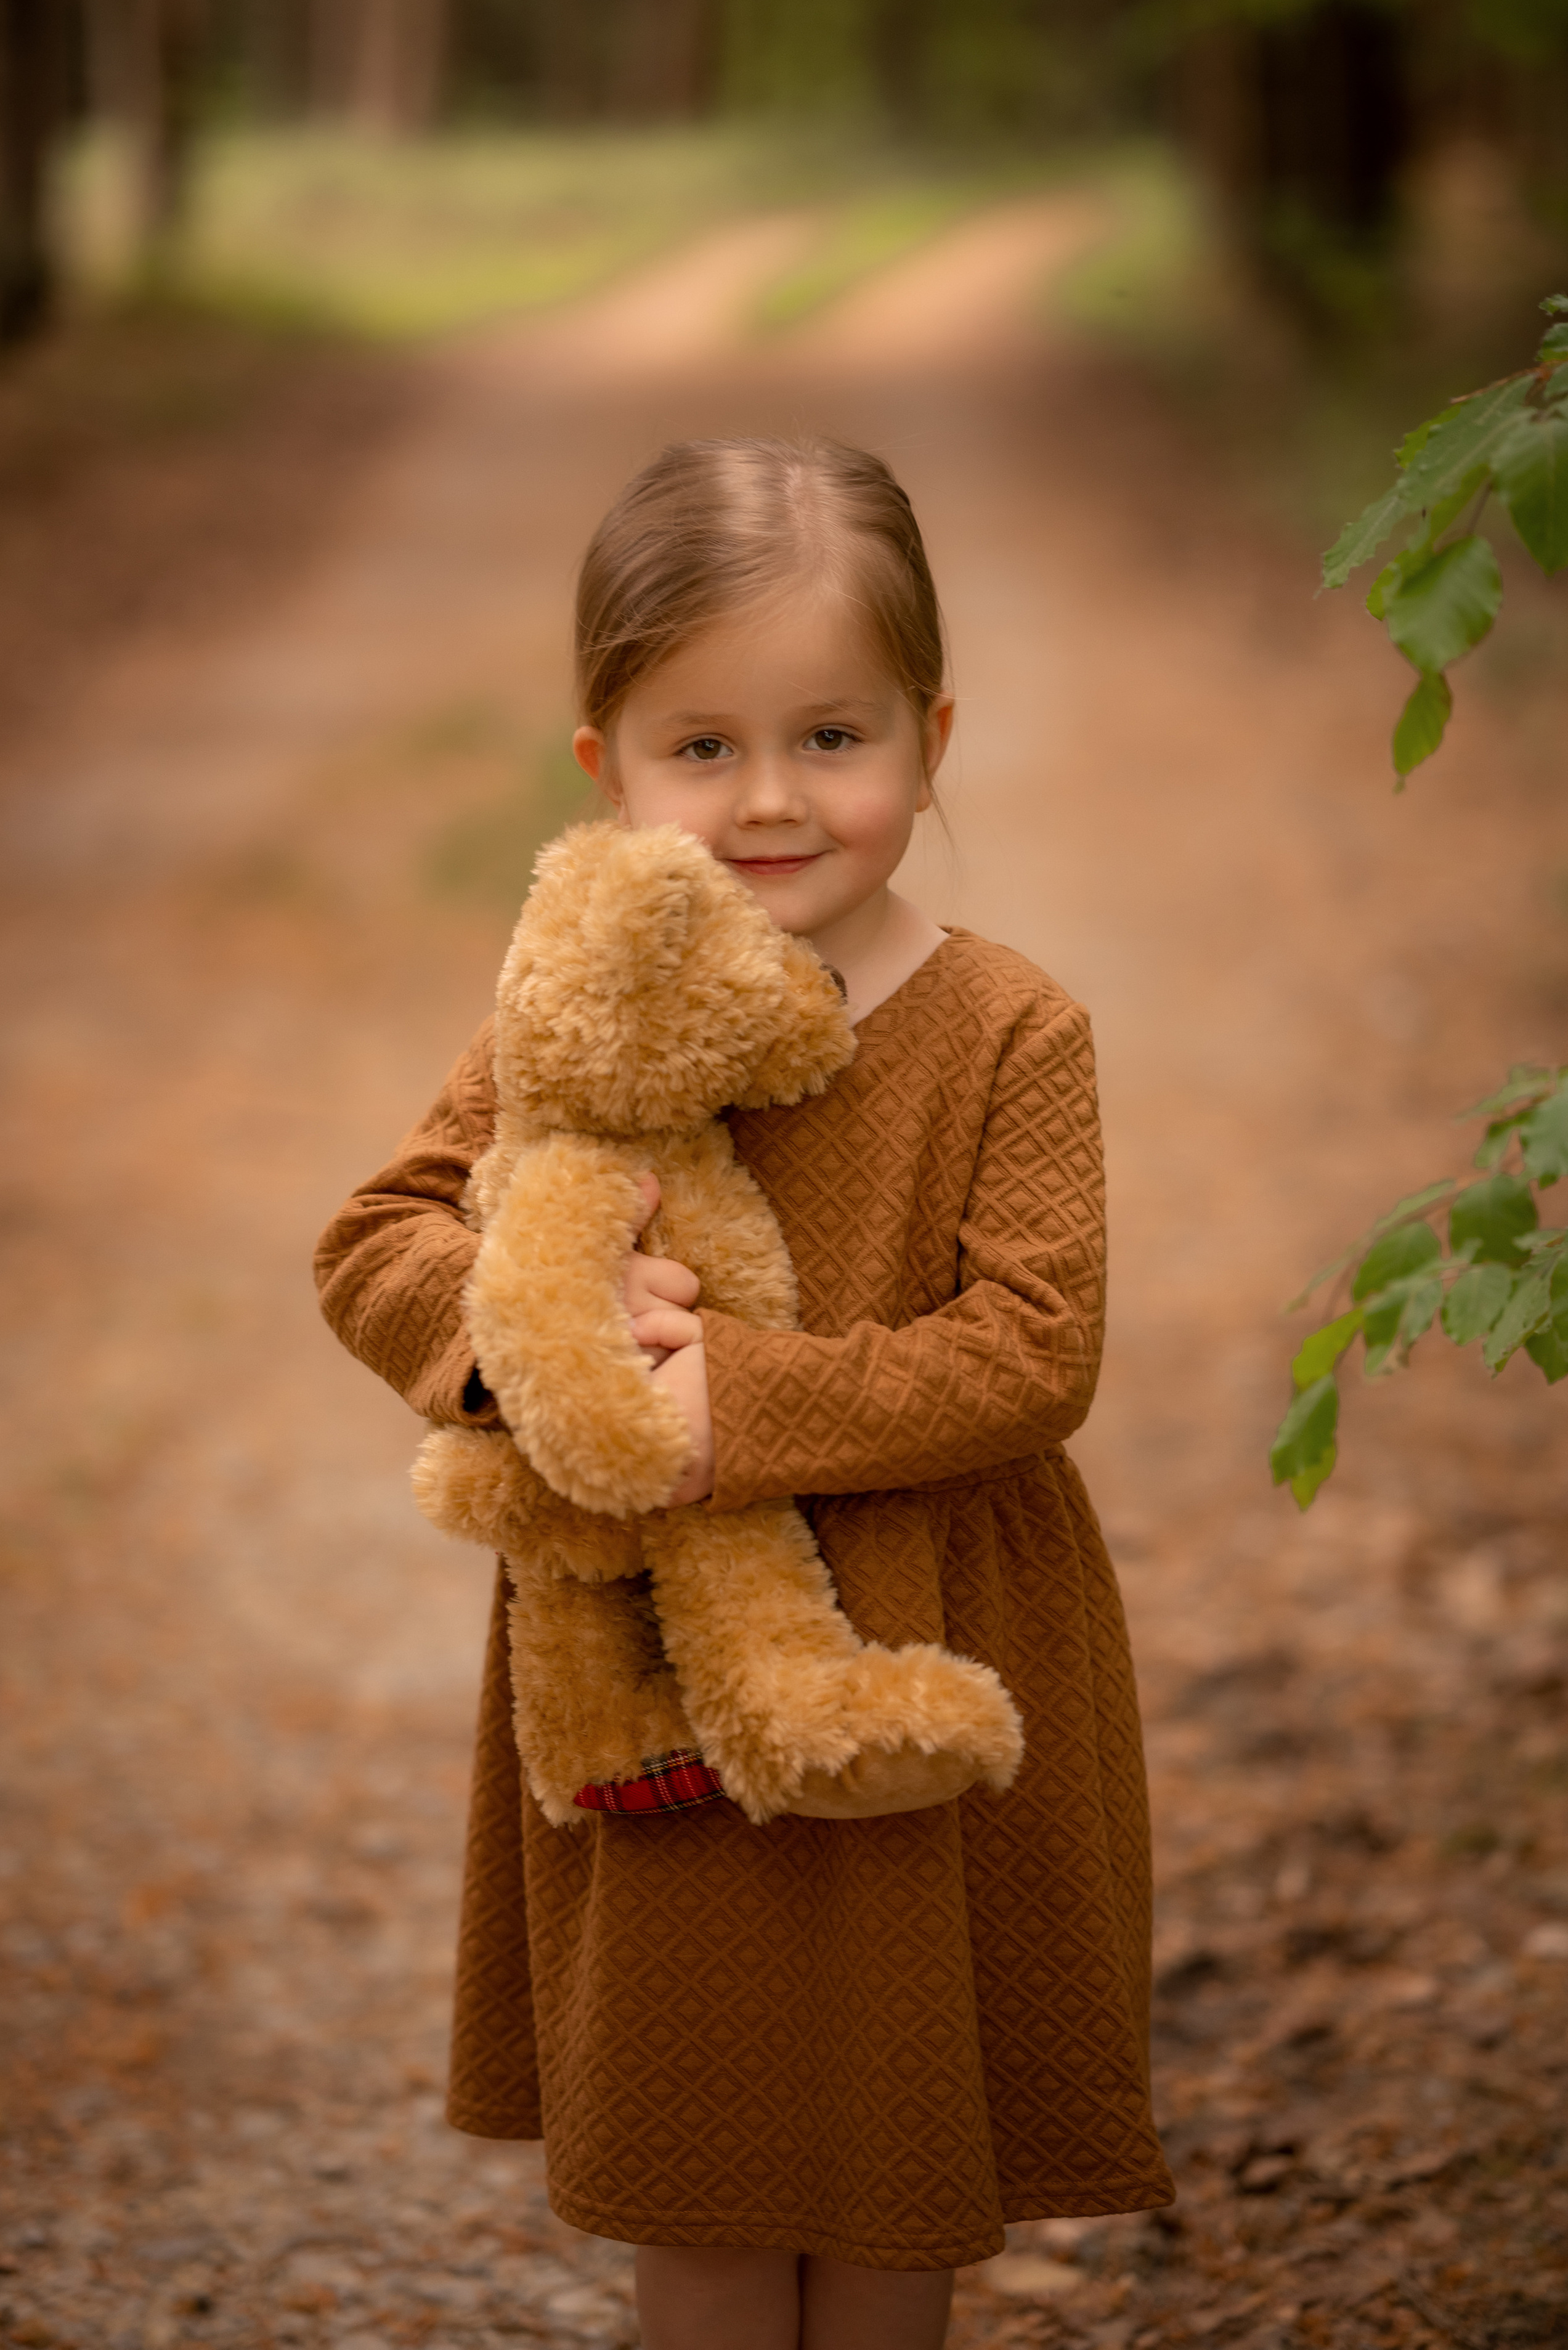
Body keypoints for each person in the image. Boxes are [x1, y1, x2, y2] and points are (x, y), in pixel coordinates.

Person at [315, 436, 1172, 2350]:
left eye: (833, 737)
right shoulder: (567, 1011)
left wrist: (731, 1412)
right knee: (693, 2178)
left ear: (930, 735)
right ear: (601, 767)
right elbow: (372, 1236)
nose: (773, 800)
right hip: (652, 1665)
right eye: (701, 747)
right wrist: (518, 1332)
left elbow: (1036, 1349)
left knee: (892, 2181)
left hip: (929, 1619)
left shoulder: (1009, 1027)